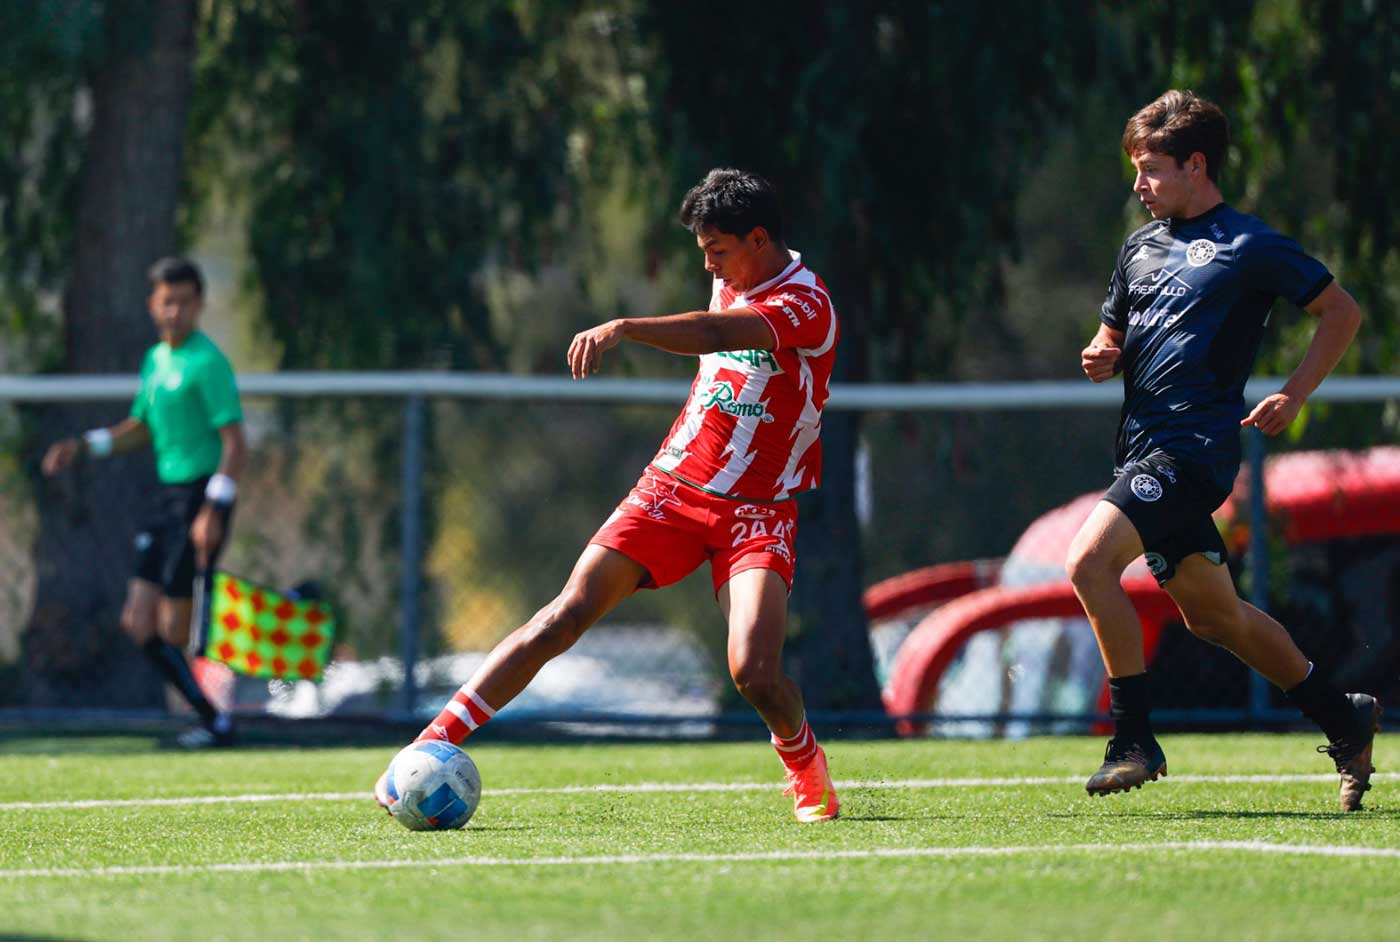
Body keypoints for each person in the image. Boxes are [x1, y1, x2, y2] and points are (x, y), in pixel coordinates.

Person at [375, 168, 842, 822]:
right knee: (564, 615)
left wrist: (623, 327)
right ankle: (429, 745)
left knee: (754, 672)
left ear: (759, 240)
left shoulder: (807, 304)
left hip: (758, 513)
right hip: (672, 488)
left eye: (717, 251)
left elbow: (712, 333)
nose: (708, 264)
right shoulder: (733, 272)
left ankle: (805, 765)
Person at [1069, 90, 1373, 810]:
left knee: (1086, 562)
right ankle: (1343, 714)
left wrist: (1296, 393)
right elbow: (1111, 332)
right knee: (1216, 619)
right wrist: (1102, 350)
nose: (1138, 186)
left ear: (1195, 165)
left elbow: (1341, 311)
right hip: (1140, 450)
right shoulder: (1139, 247)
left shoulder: (1249, 244)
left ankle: (1133, 738)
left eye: (1149, 170)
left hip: (1190, 452)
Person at [43, 256, 246, 748]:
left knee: (175, 627)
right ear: (152, 305)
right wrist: (86, 445)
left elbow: (235, 442)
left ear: (198, 305)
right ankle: (211, 718)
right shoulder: (156, 359)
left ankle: (215, 717)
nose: (174, 311)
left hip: (199, 496)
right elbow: (140, 428)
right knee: (138, 623)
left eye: (184, 302)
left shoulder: (207, 362)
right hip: (164, 497)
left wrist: (214, 510)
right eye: (165, 302)